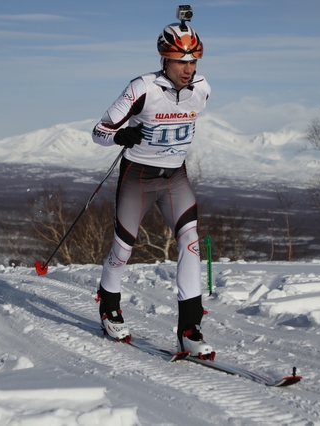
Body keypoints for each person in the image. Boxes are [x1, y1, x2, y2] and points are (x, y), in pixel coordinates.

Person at [91, 19, 214, 360]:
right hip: (139, 179)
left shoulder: (203, 88)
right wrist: (119, 135)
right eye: (181, 62)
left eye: (193, 62)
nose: (188, 69)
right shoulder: (142, 88)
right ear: (165, 59)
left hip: (175, 177)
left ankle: (189, 330)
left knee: (190, 242)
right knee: (123, 247)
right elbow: (98, 130)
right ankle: (109, 304)